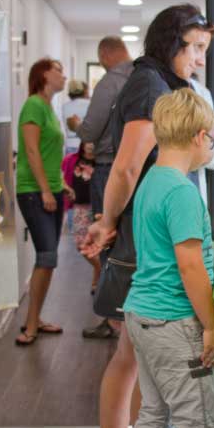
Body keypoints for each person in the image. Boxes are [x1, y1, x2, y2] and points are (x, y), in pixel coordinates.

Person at [81, 3, 214, 428]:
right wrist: (108, 221)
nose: (199, 60)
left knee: (131, 355)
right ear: (172, 42)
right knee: (143, 360)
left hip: (143, 231)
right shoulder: (149, 86)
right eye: (195, 48)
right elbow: (126, 166)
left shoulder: (157, 83)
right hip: (146, 239)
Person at [124, 88, 214, 428]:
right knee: (198, 418)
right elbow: (190, 266)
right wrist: (211, 326)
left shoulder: (151, 180)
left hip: (142, 315)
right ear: (200, 137)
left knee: (154, 412)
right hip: (175, 321)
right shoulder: (182, 193)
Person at [68, 36, 133, 340]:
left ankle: (112, 319)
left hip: (108, 168)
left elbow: (91, 129)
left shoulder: (110, 81)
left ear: (104, 55)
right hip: (134, 169)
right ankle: (127, 318)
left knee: (104, 240)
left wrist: (76, 127)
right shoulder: (143, 77)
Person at [15, 58, 73, 346]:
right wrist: (45, 191)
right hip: (33, 191)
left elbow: (51, 155)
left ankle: (36, 318)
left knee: (49, 260)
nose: (64, 76)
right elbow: (31, 151)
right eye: (58, 70)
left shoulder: (49, 108)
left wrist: (61, 184)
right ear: (43, 75)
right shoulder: (33, 106)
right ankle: (29, 325)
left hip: (51, 188)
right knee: (47, 256)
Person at [62, 141, 101, 293]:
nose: (91, 144)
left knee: (99, 244)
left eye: (93, 141)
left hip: (98, 206)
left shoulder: (102, 162)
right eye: (88, 141)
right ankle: (100, 268)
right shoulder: (72, 160)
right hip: (79, 207)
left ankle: (97, 279)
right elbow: (63, 179)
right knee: (81, 244)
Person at [189, 75, 214, 205]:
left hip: (195, 195)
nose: (201, 62)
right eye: (197, 52)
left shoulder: (202, 93)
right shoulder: (154, 90)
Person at [62, 79, 90, 154]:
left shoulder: (64, 106)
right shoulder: (90, 104)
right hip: (86, 146)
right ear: (84, 91)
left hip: (70, 145)